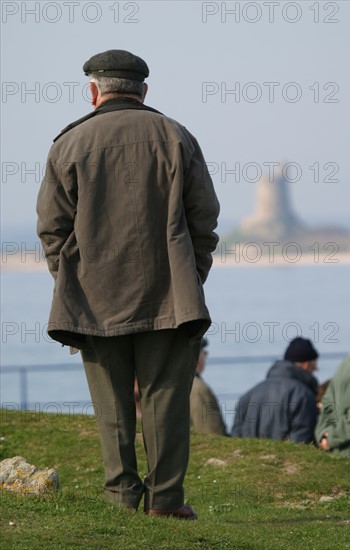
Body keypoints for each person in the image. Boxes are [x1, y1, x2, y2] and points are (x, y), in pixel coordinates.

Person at [36, 49, 220, 520]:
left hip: (94, 300)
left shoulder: (68, 144)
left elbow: (52, 230)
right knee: (165, 401)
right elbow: (204, 219)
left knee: (112, 405)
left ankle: (120, 500)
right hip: (170, 295)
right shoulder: (177, 136)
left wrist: (71, 280)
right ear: (143, 91)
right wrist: (192, 275)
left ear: (94, 92)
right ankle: (165, 503)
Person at [231, 337, 319, 443]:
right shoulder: (304, 395)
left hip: (246, 459)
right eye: (315, 368)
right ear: (307, 365)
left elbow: (236, 437)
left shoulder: (248, 395)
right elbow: (301, 442)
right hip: (283, 459)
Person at [316, 318, 350, 461]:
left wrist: (325, 434)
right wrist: (333, 438)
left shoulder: (348, 360)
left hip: (341, 454)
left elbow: (327, 400)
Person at [190, 338, 228, 436]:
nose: (205, 357)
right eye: (204, 353)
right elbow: (211, 433)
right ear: (196, 357)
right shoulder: (198, 388)